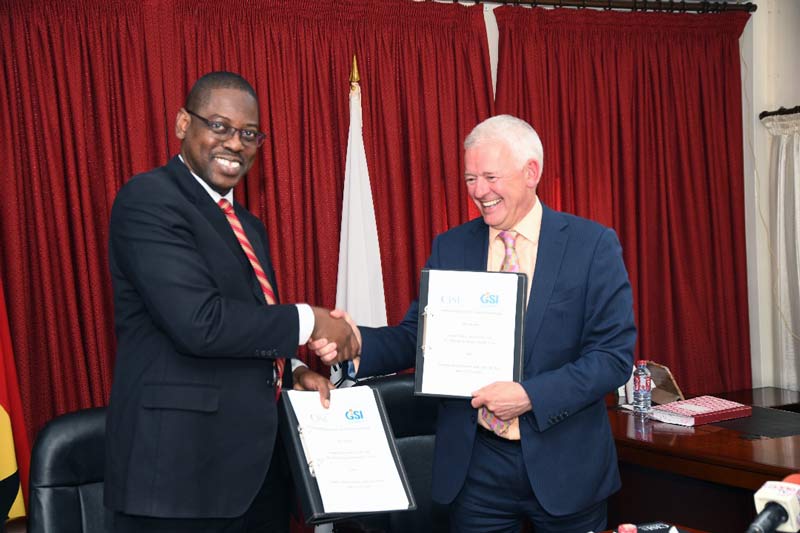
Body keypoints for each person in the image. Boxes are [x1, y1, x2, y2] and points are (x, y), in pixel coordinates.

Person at [311, 115, 636, 532]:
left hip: (567, 468)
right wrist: (358, 343)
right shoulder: (452, 246)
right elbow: (420, 338)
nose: (479, 191)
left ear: (531, 173)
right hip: (476, 470)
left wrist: (530, 396)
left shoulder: (592, 246)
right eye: (470, 178)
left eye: (490, 177)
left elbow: (612, 358)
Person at [104, 71, 357, 532]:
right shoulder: (149, 200)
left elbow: (247, 326)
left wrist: (292, 370)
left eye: (249, 133)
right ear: (183, 124)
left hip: (255, 477)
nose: (235, 144)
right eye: (219, 126)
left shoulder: (247, 226)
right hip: (179, 483)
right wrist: (311, 321)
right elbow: (199, 323)